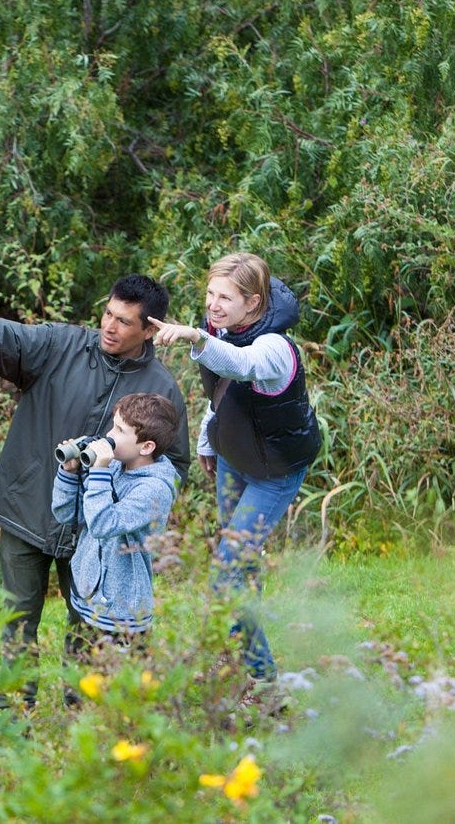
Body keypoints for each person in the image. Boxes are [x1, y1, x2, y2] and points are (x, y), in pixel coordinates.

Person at [0, 275, 190, 707]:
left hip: (95, 530)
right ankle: (13, 711)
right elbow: (10, 339)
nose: (109, 326)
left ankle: (81, 711)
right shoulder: (63, 345)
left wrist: (127, 501)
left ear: (150, 330)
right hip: (27, 507)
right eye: (108, 313)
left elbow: (171, 464)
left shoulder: (162, 389)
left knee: (87, 624)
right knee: (17, 618)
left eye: (124, 322)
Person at [150, 252, 321, 683]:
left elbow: (240, 367)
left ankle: (260, 677)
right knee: (241, 567)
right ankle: (240, 665)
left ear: (254, 301)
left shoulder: (274, 348)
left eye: (225, 297)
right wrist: (212, 438)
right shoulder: (223, 328)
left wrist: (194, 337)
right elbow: (222, 395)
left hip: (274, 473)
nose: (213, 305)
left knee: (227, 571)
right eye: (210, 293)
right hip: (233, 459)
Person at [51, 393, 180, 661]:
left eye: (120, 430)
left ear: (146, 447)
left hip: (122, 613)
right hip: (87, 600)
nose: (109, 435)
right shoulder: (116, 467)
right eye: (113, 425)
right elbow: (67, 514)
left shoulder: (154, 490)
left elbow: (102, 523)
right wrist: (69, 472)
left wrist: (99, 471)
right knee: (76, 682)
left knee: (116, 695)